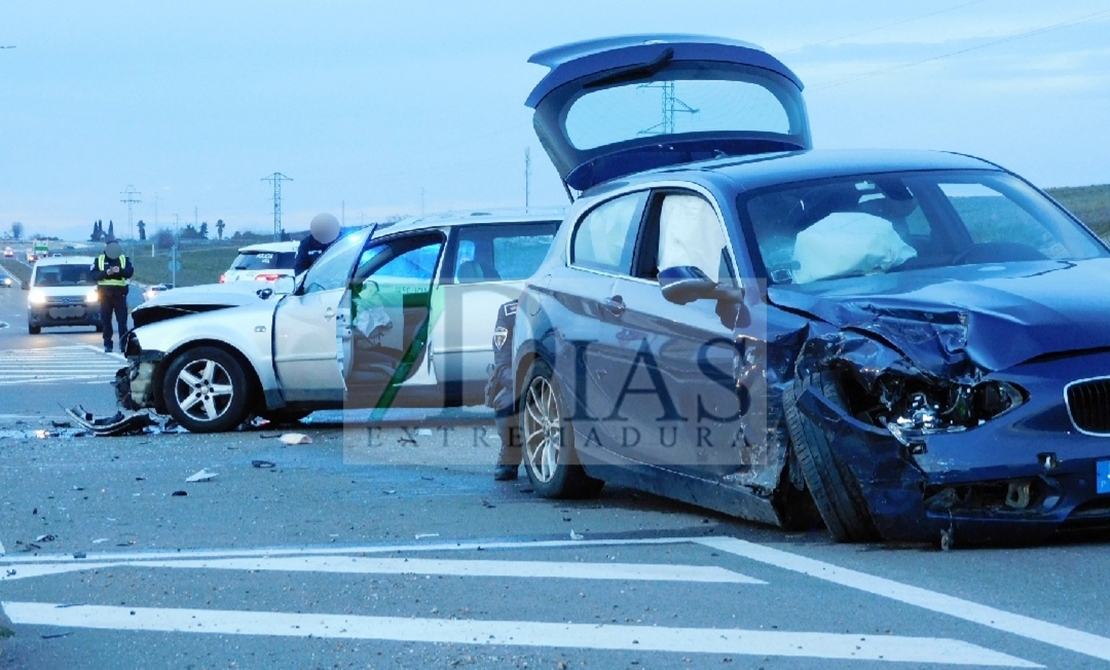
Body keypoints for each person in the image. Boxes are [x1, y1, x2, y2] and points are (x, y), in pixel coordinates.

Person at [484, 300, 521, 480]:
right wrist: (526, 383)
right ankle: (511, 451)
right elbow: (502, 365)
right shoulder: (510, 313)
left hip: (562, 380)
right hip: (522, 380)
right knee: (506, 404)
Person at [89, 237, 133, 353]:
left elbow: (130, 273)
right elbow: (93, 276)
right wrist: (106, 273)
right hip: (105, 296)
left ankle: (123, 345)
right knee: (106, 321)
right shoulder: (99, 260)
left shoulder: (124, 259)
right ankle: (108, 344)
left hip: (120, 295)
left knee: (122, 322)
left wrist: (120, 271)